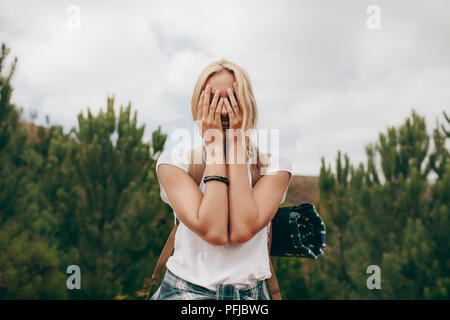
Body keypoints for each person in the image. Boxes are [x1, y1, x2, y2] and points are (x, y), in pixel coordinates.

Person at [150, 59, 292, 300]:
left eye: (233, 99)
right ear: (198, 107)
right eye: (214, 100)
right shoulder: (175, 163)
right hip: (184, 291)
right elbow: (214, 231)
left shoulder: (274, 168)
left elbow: (242, 230)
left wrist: (236, 144)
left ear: (248, 105)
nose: (224, 111)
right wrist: (215, 148)